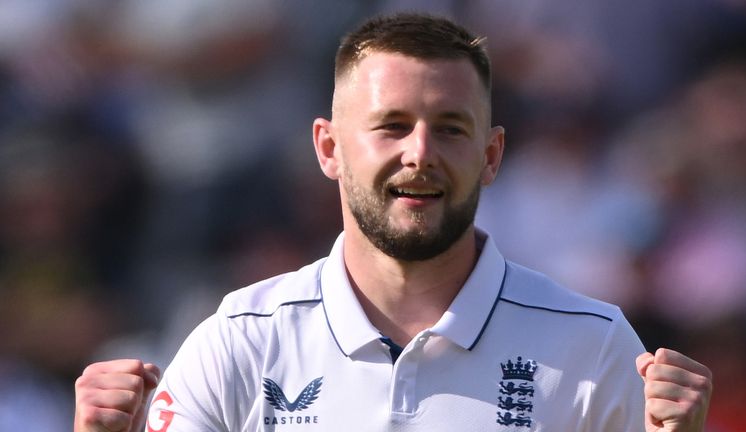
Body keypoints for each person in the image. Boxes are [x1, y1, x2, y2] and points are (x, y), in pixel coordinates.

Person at [74, 13, 712, 432]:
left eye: (451, 129)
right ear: (328, 148)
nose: (420, 153)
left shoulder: (594, 346)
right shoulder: (239, 342)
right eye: (391, 125)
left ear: (491, 155)